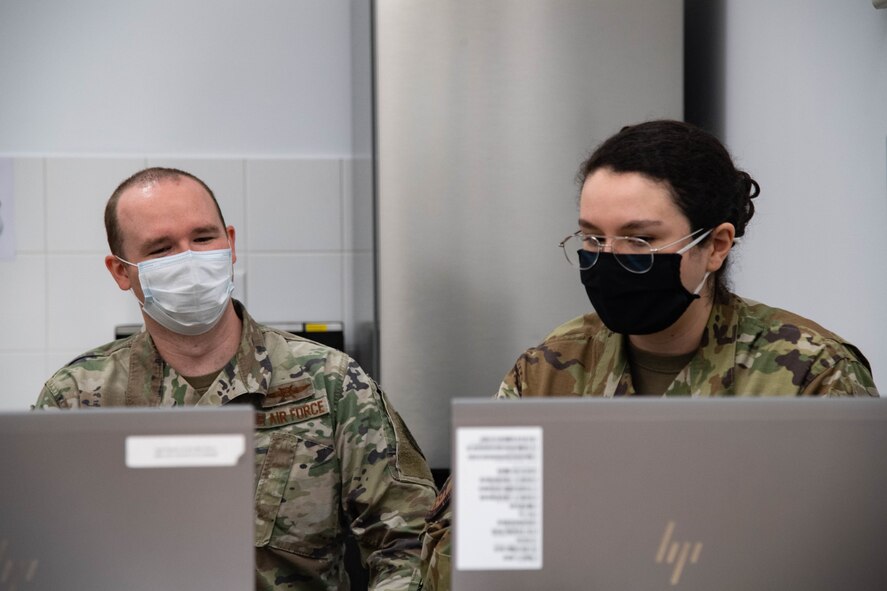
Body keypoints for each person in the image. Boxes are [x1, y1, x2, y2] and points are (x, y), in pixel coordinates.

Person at [418, 119, 878, 590]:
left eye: (640, 240)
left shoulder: (811, 374)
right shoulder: (547, 373)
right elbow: (458, 557)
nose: (609, 257)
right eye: (593, 239)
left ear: (716, 246)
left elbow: (847, 558)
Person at [35, 167, 437, 591]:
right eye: (161, 249)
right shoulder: (77, 401)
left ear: (230, 245)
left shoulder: (331, 384)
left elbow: (409, 544)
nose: (188, 259)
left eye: (203, 238)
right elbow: (40, 556)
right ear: (121, 272)